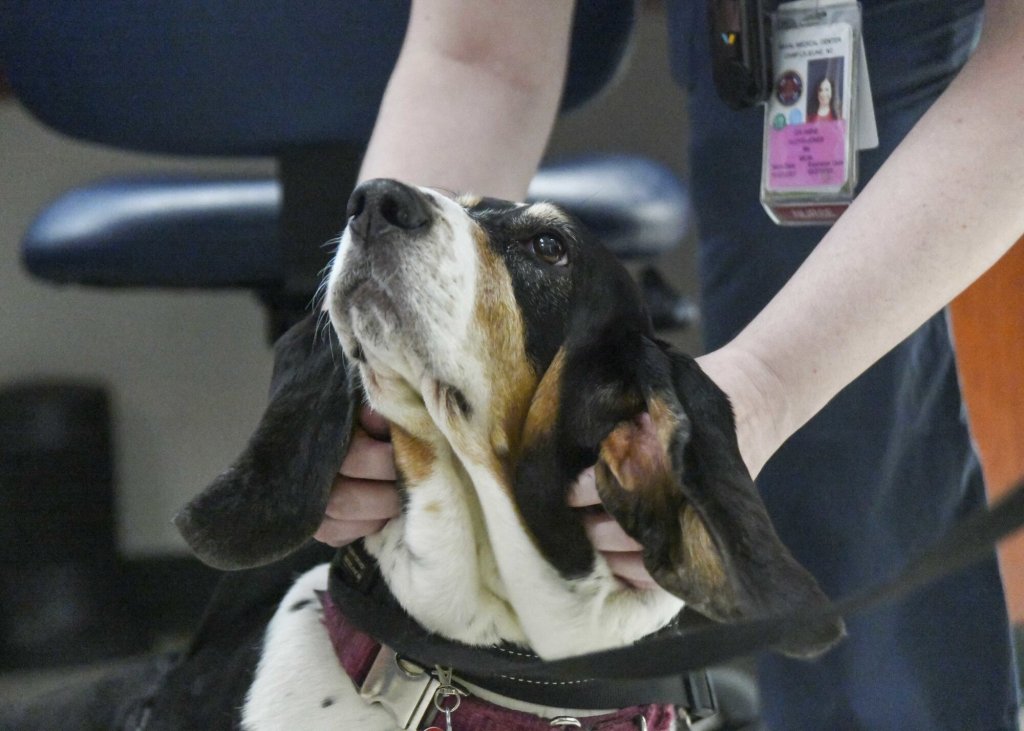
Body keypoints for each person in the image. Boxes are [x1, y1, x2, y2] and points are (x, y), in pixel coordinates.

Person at [314, 1, 1024, 728]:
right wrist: (369, 360)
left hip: (912, 51)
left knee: (850, 465)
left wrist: (763, 391)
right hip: (760, 40)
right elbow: (481, 57)